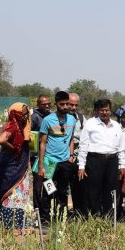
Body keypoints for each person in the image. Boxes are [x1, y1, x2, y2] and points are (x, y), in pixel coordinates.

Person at [77, 99, 125, 217]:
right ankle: (95, 215)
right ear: (97, 111)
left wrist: (122, 165)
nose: (105, 113)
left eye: (107, 110)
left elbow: (121, 147)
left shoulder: (116, 126)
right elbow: (83, 145)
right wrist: (81, 166)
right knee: (94, 189)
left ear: (110, 111)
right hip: (95, 160)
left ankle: (108, 216)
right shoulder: (90, 124)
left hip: (112, 161)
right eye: (102, 110)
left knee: (110, 189)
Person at [37, 91, 76, 223]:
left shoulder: (72, 119)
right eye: (62, 104)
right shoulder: (47, 120)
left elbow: (71, 139)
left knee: (63, 191)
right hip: (50, 162)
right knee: (49, 190)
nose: (65, 106)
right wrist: (41, 166)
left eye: (67, 104)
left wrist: (71, 156)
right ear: (56, 104)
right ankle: (46, 219)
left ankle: (61, 218)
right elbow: (42, 143)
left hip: (65, 163)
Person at [0, 102, 33, 232]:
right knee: (10, 193)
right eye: (21, 114)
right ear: (14, 114)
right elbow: (1, 140)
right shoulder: (12, 126)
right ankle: (8, 223)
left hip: (20, 165)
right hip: (11, 166)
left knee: (21, 193)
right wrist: (14, 149)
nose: (24, 117)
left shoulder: (23, 126)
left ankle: (19, 222)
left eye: (26, 114)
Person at [30, 94, 51, 221]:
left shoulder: (51, 117)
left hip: (50, 158)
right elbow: (30, 138)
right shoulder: (35, 117)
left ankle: (47, 211)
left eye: (49, 103)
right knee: (38, 186)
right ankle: (37, 212)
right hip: (38, 158)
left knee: (49, 184)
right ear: (38, 105)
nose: (47, 106)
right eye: (44, 104)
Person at [68, 92, 87, 217]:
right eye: (71, 104)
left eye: (76, 105)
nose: (73, 108)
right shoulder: (57, 118)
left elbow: (85, 137)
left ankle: (78, 211)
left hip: (77, 157)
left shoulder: (81, 118)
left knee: (78, 185)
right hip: (63, 157)